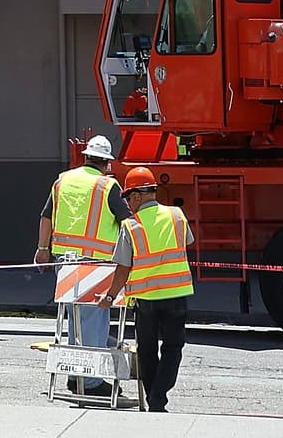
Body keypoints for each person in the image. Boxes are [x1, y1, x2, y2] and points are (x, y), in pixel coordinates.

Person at [33, 134, 127, 395]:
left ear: (85, 157)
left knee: (74, 320)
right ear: (107, 163)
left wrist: (42, 250)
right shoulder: (108, 186)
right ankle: (91, 381)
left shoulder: (63, 180)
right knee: (94, 321)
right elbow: (127, 223)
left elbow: (46, 216)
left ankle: (76, 377)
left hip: (65, 261)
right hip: (96, 263)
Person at [103, 165, 194, 414]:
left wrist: (110, 296)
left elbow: (123, 268)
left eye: (128, 198)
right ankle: (159, 396)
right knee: (173, 348)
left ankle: (155, 398)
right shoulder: (177, 215)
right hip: (176, 294)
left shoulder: (131, 226)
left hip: (145, 299)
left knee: (147, 350)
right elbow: (187, 242)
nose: (128, 204)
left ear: (136, 196)